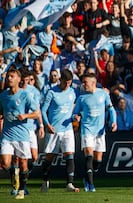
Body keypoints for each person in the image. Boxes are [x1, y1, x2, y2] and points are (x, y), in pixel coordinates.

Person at [73, 72, 117, 192]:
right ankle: (90, 185)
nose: (83, 84)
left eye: (85, 82)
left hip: (100, 131)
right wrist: (75, 117)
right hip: (87, 129)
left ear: (93, 83)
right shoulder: (81, 98)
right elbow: (75, 113)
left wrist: (113, 122)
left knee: (98, 160)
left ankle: (88, 176)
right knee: (89, 154)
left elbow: (111, 110)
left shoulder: (103, 94)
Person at [0, 68, 40, 200]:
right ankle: (14, 175)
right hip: (7, 134)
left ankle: (21, 190)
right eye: (8, 77)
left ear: (18, 79)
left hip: (22, 135)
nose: (9, 79)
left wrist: (26, 115)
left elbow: (37, 113)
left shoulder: (25, 95)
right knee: (5, 163)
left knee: (24, 163)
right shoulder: (3, 96)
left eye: (12, 77)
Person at [40, 69, 80, 192]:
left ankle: (69, 184)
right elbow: (43, 110)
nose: (67, 85)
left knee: (69, 154)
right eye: (66, 82)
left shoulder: (73, 92)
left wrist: (75, 117)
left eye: (70, 83)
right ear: (60, 80)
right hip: (54, 130)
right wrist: (47, 125)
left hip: (67, 129)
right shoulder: (52, 92)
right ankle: (45, 181)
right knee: (49, 157)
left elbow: (73, 110)